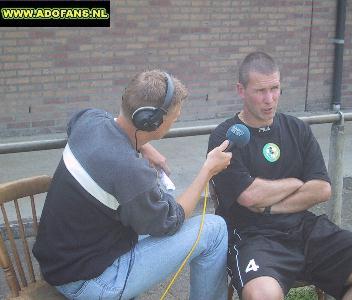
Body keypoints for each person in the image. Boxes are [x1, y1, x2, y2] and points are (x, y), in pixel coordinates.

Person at [208, 51, 352, 300]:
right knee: (262, 295)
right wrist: (296, 183)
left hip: (305, 229)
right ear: (241, 90)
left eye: (275, 88)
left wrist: (269, 207)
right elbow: (250, 197)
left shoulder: (296, 128)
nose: (270, 99)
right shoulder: (226, 136)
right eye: (260, 91)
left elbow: (321, 189)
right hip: (253, 237)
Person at [33, 70, 232, 300]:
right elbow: (173, 220)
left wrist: (141, 146)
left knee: (159, 198)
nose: (175, 121)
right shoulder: (130, 171)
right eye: (174, 117)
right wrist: (207, 171)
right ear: (152, 121)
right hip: (92, 283)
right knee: (214, 229)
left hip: (59, 265)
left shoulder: (90, 122)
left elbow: (78, 120)